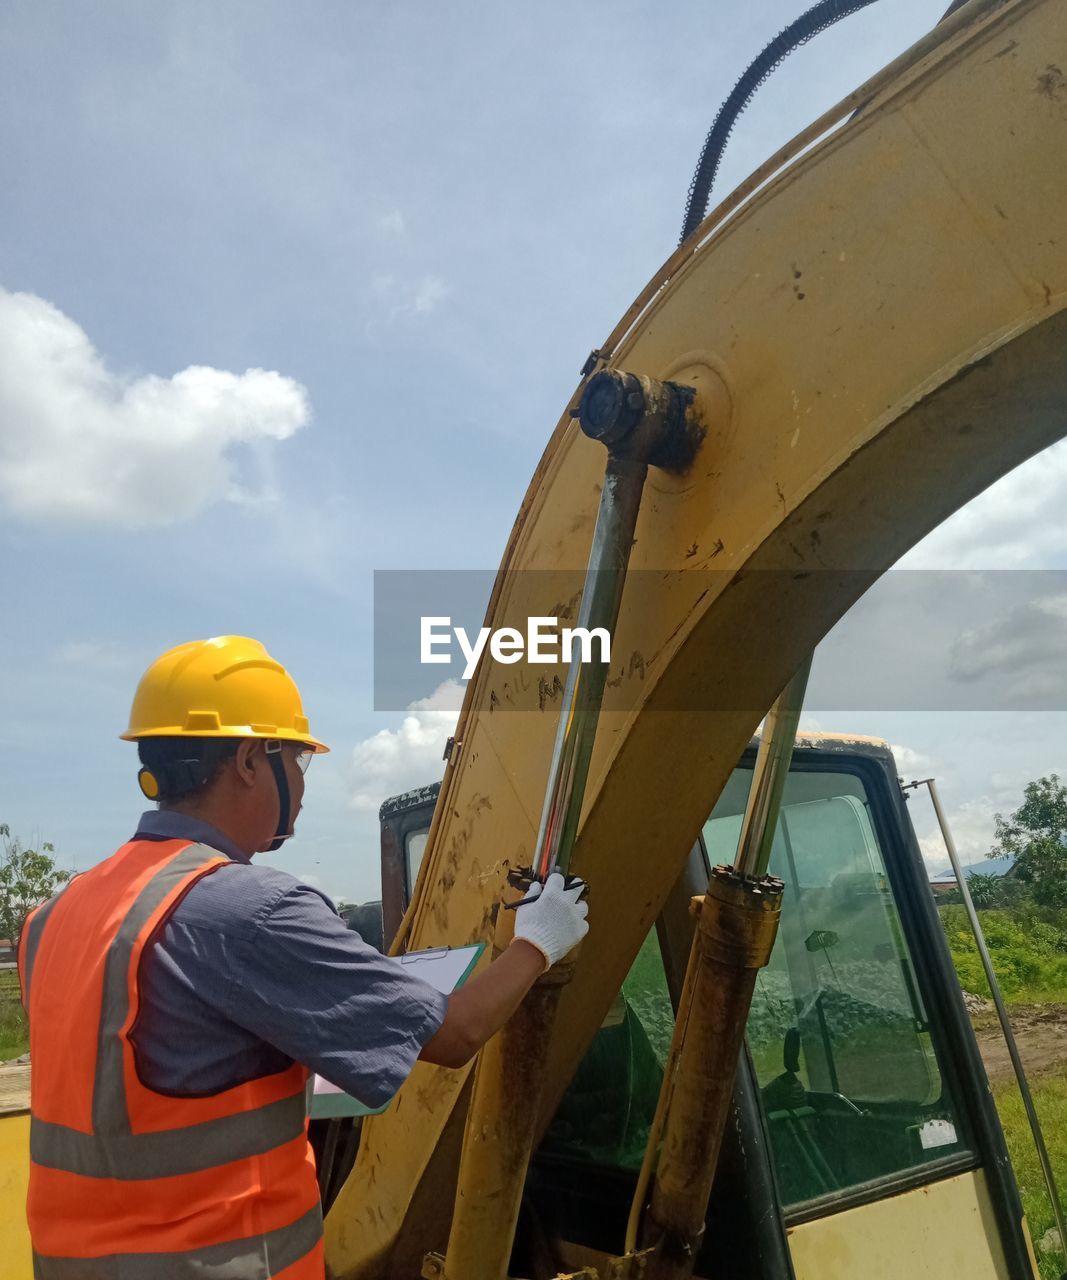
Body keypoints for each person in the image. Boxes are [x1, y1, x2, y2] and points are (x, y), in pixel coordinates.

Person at [19, 635, 589, 1279]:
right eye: (296, 758)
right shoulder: (251, 910)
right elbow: (455, 1032)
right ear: (248, 759)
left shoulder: (54, 917)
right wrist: (539, 941)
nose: (301, 781)